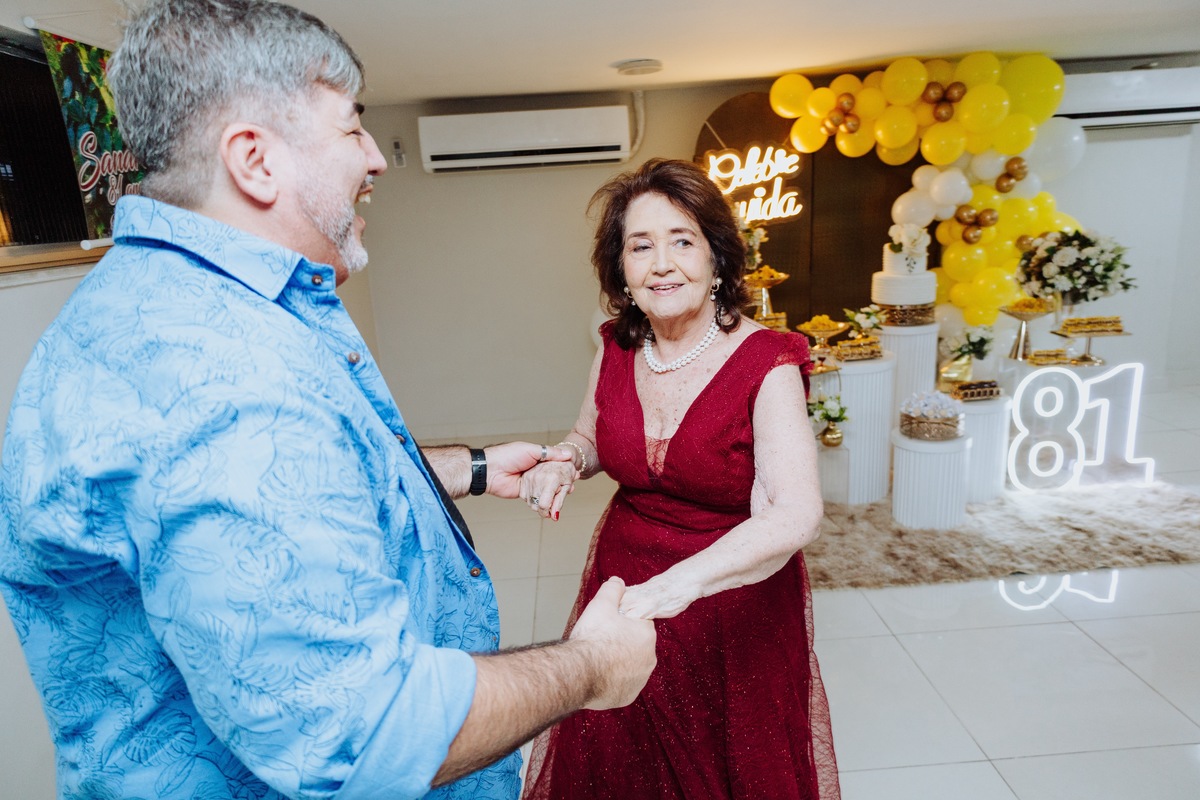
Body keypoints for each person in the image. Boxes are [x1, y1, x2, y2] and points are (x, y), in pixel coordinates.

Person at [0, 1, 656, 799]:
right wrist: (591, 667)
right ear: (255, 160)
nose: (377, 157)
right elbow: (365, 733)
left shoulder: (184, 304)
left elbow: (300, 477)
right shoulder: (215, 376)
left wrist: (464, 469)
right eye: (352, 127)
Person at [518, 158, 840, 799]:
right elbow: (591, 438)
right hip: (624, 588)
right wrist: (563, 461)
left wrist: (676, 587)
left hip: (729, 600)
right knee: (622, 761)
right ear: (622, 269)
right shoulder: (617, 346)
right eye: (641, 246)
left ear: (718, 258)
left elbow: (795, 511)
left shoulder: (766, 363)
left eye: (682, 241)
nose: (661, 263)